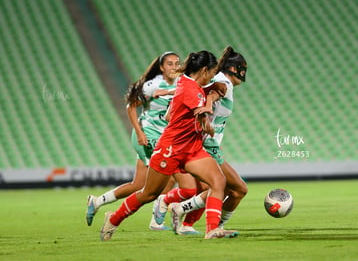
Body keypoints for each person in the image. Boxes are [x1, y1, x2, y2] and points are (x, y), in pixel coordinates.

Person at [99, 50, 239, 241]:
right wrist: (207, 114)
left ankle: (212, 229)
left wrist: (211, 90)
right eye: (212, 73)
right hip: (171, 149)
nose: (213, 77)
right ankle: (113, 218)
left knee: (218, 182)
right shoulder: (189, 89)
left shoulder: (188, 83)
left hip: (192, 149)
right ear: (204, 70)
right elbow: (200, 110)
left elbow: (183, 106)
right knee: (149, 193)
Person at [85, 51, 180, 230]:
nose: (174, 67)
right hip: (148, 137)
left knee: (139, 184)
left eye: (177, 63)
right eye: (170, 64)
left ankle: (97, 202)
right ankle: (156, 221)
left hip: (161, 139)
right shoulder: (152, 85)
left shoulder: (180, 82)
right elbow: (131, 107)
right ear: (161, 67)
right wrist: (139, 133)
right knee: (172, 174)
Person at [165, 46, 249, 235]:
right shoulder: (223, 81)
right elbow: (213, 94)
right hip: (206, 144)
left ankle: (186, 215)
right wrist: (208, 106)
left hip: (208, 143)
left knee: (222, 188)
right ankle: (203, 221)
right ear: (235, 69)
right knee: (237, 189)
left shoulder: (220, 81)